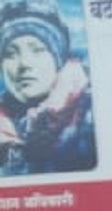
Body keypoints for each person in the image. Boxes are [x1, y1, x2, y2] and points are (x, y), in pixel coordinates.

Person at [0, 0, 95, 175]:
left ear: (59, 59)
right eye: (10, 54)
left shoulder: (90, 116)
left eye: (38, 50)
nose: (24, 64)